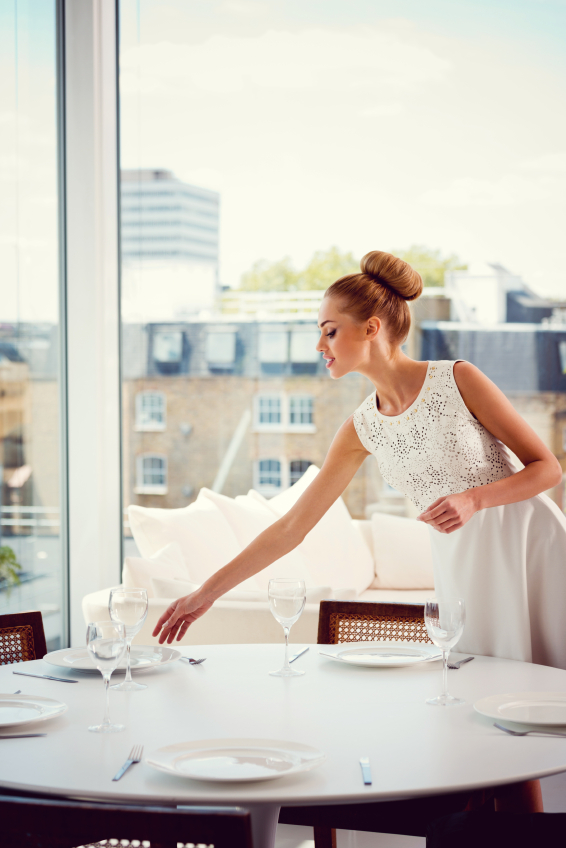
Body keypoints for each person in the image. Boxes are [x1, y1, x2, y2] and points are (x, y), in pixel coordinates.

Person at [153, 249, 566, 809]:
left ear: (371, 328)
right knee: (491, 715)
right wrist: (205, 594)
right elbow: (291, 528)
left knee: (531, 716)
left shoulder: (458, 379)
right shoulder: (361, 428)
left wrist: (473, 498)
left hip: (527, 546)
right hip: (462, 565)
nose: (319, 346)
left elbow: (547, 467)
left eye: (329, 331)